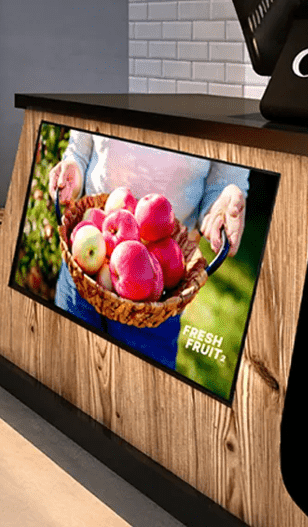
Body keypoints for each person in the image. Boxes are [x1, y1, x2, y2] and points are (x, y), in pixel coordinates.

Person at [47, 129, 249, 369]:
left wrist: (221, 205)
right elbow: (80, 148)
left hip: (157, 297)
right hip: (82, 271)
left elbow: (223, 181)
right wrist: (73, 170)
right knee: (61, 370)